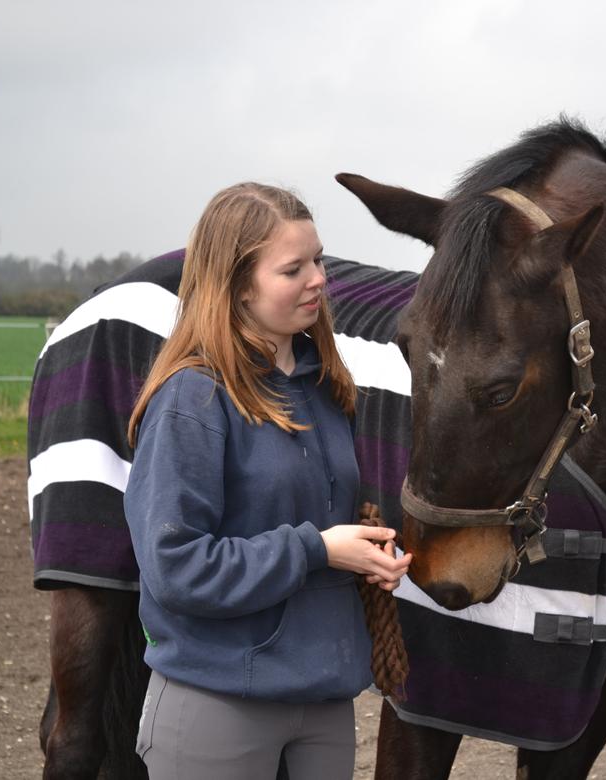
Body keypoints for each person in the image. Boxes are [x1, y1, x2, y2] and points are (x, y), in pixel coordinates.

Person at [123, 182, 410, 778]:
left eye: (319, 261)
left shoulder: (327, 390)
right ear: (237, 286)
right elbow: (176, 567)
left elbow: (319, 530)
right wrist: (318, 549)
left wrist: (362, 555)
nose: (319, 280)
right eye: (293, 269)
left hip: (325, 701)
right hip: (219, 699)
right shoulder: (191, 399)